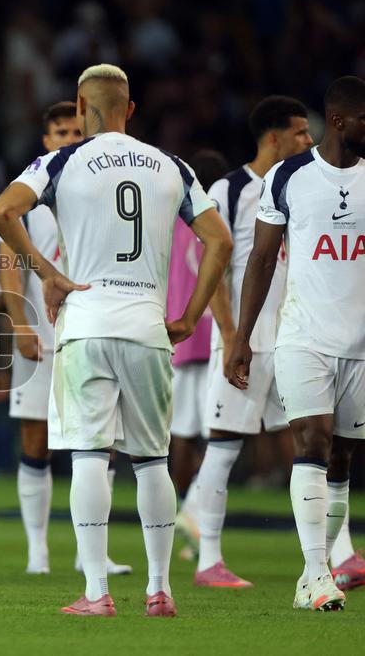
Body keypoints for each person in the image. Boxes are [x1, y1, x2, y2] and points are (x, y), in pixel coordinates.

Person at [0, 63, 232, 617]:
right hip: (148, 326)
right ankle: (159, 589)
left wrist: (47, 273)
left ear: (80, 107)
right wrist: (191, 315)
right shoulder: (172, 166)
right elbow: (217, 243)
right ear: (132, 110)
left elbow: (2, 211)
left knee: (88, 457)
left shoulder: (61, 161)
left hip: (87, 325)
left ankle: (97, 592)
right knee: (152, 462)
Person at [225, 76, 365, 611]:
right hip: (304, 335)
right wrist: (242, 339)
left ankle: (320, 570)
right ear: (339, 121)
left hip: (359, 344)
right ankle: (313, 574)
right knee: (312, 441)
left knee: (343, 460)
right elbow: (260, 260)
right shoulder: (288, 176)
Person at [0, 101, 130, 576]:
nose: (70, 139)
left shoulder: (108, 193)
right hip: (43, 335)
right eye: (60, 132)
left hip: (94, 332)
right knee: (35, 438)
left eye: (77, 131)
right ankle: (38, 551)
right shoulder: (26, 203)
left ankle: (90, 552)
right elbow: (8, 267)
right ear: (46, 142)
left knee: (100, 442)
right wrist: (19, 324)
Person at [191, 97, 314, 587]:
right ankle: (208, 562)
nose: (309, 141)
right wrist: (226, 333)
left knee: (312, 445)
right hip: (245, 341)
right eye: (302, 133)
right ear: (273, 137)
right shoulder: (231, 188)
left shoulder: (303, 184)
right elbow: (214, 267)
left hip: (294, 341)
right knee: (223, 447)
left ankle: (333, 556)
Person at [170, 149, 229, 561]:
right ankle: (193, 510)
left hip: (179, 332)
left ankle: (182, 512)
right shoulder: (218, 218)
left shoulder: (170, 217)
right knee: (222, 434)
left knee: (183, 434)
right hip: (213, 333)